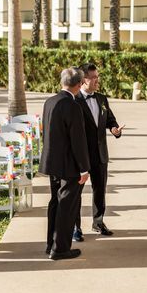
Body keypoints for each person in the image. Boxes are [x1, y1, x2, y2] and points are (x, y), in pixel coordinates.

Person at [40, 68, 90, 260]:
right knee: (66, 206)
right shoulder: (72, 105)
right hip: (68, 165)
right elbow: (78, 140)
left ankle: (50, 243)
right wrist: (84, 168)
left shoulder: (50, 101)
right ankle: (60, 249)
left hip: (52, 162)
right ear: (79, 85)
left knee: (55, 203)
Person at [73, 63, 124, 241]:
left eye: (97, 77)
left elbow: (110, 120)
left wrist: (115, 129)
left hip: (100, 154)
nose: (97, 80)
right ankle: (75, 228)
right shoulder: (74, 100)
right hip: (80, 157)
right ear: (84, 79)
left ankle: (98, 222)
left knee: (100, 190)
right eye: (93, 77)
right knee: (76, 193)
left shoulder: (102, 99)